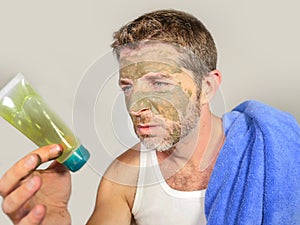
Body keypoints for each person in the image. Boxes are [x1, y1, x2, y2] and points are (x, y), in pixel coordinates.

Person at [0, 9, 299, 225]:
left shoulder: (272, 151)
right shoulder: (125, 179)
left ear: (207, 87)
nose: (135, 107)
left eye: (159, 83)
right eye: (128, 87)